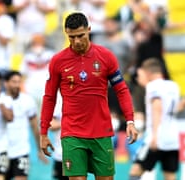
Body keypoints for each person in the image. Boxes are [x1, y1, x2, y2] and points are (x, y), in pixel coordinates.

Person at [40, 12, 138, 180]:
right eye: (71, 37)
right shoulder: (58, 61)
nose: (76, 41)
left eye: (80, 35)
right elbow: (49, 97)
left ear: (89, 30)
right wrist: (43, 133)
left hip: (101, 131)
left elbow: (121, 89)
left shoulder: (106, 57)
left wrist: (130, 120)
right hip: (72, 133)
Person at [129, 58, 180, 180]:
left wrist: (156, 135)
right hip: (172, 139)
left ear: (148, 73)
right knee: (170, 175)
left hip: (156, 137)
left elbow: (157, 106)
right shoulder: (174, 85)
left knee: (135, 171)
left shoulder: (152, 87)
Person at [2, 71, 48, 180]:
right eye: (14, 82)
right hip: (2, 151)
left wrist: (39, 149)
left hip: (21, 150)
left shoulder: (27, 100)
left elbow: (34, 127)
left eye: (19, 82)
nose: (17, 85)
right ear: (6, 83)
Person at [50, 91, 69, 180]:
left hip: (80, 153)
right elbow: (51, 125)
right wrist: (70, 122)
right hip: (61, 153)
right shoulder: (58, 99)